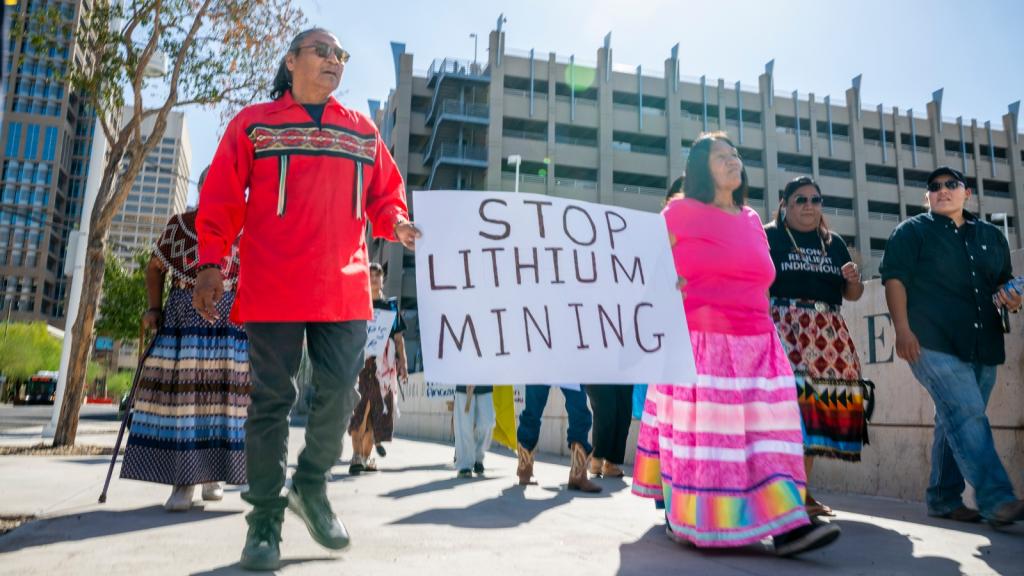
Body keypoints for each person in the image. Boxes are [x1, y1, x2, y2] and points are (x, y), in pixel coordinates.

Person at [192, 28, 420, 571]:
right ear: (291, 60)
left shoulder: (362, 132)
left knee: (342, 393)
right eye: (322, 50)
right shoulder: (254, 125)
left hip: (344, 285)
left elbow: (385, 194)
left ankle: (311, 485)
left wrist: (398, 221)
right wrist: (209, 264)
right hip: (273, 282)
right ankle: (264, 524)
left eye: (341, 54)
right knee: (271, 402)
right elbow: (223, 196)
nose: (334, 60)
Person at [631, 132, 840, 556]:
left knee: (774, 437)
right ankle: (695, 518)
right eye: (721, 156)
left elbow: (761, 280)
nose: (733, 161)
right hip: (701, 343)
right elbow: (645, 270)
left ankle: (787, 526)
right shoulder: (679, 213)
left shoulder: (749, 219)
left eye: (735, 154)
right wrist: (665, 286)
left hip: (760, 342)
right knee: (710, 441)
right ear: (699, 168)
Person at [880, 166, 1023, 526]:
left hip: (983, 343)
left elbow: (1003, 284)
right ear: (926, 197)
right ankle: (997, 499)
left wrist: (1013, 298)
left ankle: (943, 497)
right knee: (967, 413)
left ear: (966, 192)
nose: (943, 190)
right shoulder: (911, 232)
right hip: (930, 341)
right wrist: (902, 330)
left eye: (951, 185)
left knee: (954, 418)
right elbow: (894, 280)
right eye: (935, 187)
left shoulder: (991, 236)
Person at [120, 167, 248, 512]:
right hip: (183, 318)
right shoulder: (180, 225)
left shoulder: (244, 228)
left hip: (229, 326)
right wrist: (152, 307)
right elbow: (154, 268)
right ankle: (184, 481)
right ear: (202, 189)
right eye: (212, 187)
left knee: (224, 402)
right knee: (184, 401)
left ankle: (213, 476)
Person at [765, 176, 871, 518]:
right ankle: (784, 494)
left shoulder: (834, 242)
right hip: (785, 329)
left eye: (815, 199)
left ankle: (800, 493)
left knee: (814, 416)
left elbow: (850, 296)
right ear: (784, 204)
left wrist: (854, 282)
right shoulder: (770, 236)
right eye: (800, 200)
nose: (809, 205)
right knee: (788, 414)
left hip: (828, 335)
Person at [348, 262, 408, 475]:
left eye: (377, 275)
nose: (373, 279)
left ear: (382, 279)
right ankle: (356, 456)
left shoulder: (390, 307)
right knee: (359, 411)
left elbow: (398, 339)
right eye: (370, 275)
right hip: (361, 366)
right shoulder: (358, 304)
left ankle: (365, 457)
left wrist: (404, 365)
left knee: (376, 416)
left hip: (384, 369)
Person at [516, 384, 602, 493]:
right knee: (532, 411)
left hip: (568, 368)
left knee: (580, 411)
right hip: (539, 367)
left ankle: (578, 474)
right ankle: (525, 469)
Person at [585, 385, 632, 478]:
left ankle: (611, 463)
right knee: (604, 409)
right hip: (598, 372)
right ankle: (597, 459)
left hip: (625, 373)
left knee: (623, 413)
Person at [453, 385, 495, 478]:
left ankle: (478, 457)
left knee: (488, 421)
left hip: (484, 382)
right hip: (463, 383)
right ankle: (465, 465)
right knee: (464, 425)